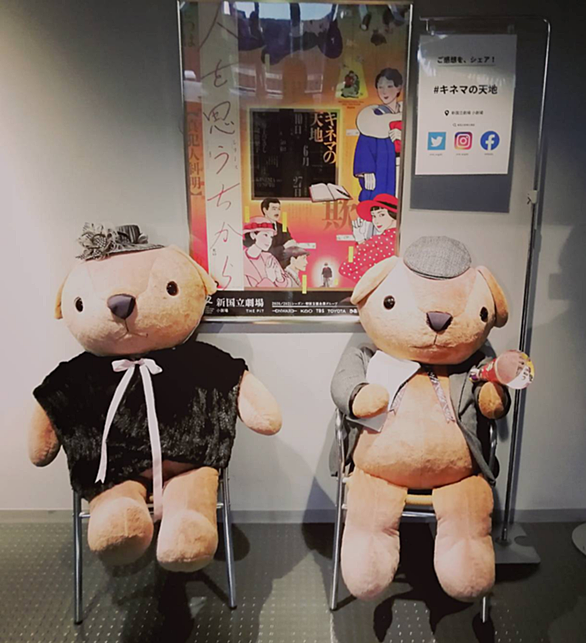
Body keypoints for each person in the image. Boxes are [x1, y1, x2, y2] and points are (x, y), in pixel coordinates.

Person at [353, 68, 403, 202]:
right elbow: (364, 146)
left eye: (389, 86)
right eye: (380, 87)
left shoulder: (407, 114)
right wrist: (367, 171)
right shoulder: (373, 116)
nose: (384, 92)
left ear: (399, 88)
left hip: (404, 167)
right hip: (382, 167)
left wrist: (404, 138)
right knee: (381, 200)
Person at [339, 194, 398, 283]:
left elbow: (346, 268)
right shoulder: (402, 239)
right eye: (374, 216)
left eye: (382, 214)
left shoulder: (379, 241)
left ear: (393, 215)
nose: (376, 220)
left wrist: (360, 240)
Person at [243, 217, 292, 288]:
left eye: (271, 237)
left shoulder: (269, 257)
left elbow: (288, 287)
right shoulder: (240, 261)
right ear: (253, 235)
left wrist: (279, 278)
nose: (269, 240)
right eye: (265, 235)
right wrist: (269, 279)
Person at [260, 198, 295, 267]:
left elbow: (290, 246)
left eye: (279, 209)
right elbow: (265, 252)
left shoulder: (282, 227)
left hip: (283, 267)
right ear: (265, 210)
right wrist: (284, 247)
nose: (277, 212)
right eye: (274, 209)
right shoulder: (258, 228)